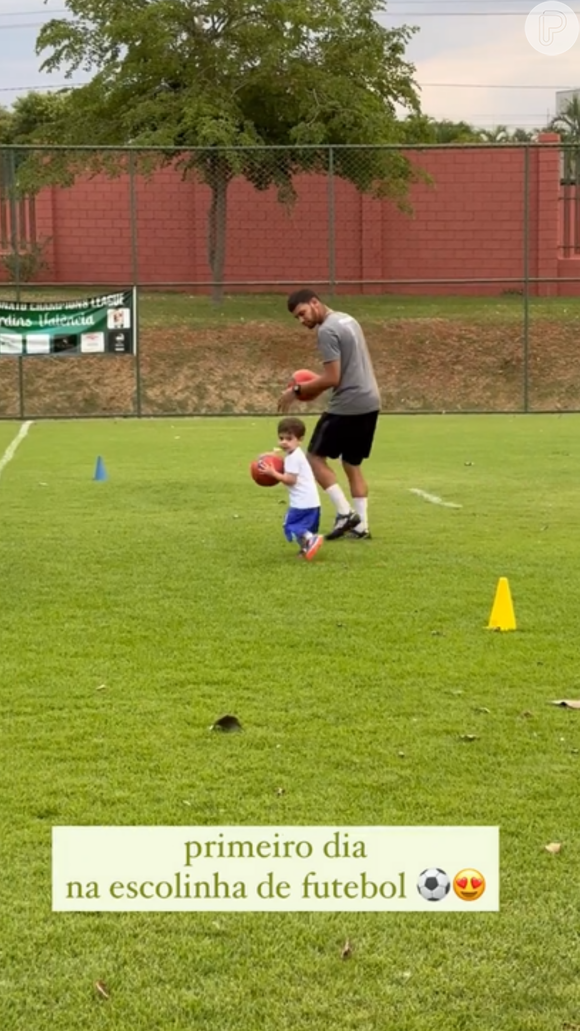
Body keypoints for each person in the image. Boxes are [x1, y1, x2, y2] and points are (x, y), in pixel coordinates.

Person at [277, 288, 380, 540]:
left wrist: (297, 390)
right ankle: (361, 526)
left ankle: (345, 513)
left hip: (348, 403)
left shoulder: (326, 330)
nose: (302, 321)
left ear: (315, 303)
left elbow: (333, 378)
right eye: (297, 318)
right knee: (351, 464)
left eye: (303, 313)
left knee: (314, 457)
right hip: (371, 400)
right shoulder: (348, 319)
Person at [258, 417, 324, 561]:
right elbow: (282, 451)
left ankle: (311, 538)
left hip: (302, 503)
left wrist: (273, 473)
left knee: (290, 524)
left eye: (289, 439)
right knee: (301, 526)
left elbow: (291, 480)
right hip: (311, 501)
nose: (284, 442)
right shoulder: (294, 453)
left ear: (300, 440)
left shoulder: (293, 458)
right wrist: (268, 455)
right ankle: (305, 549)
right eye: (281, 438)